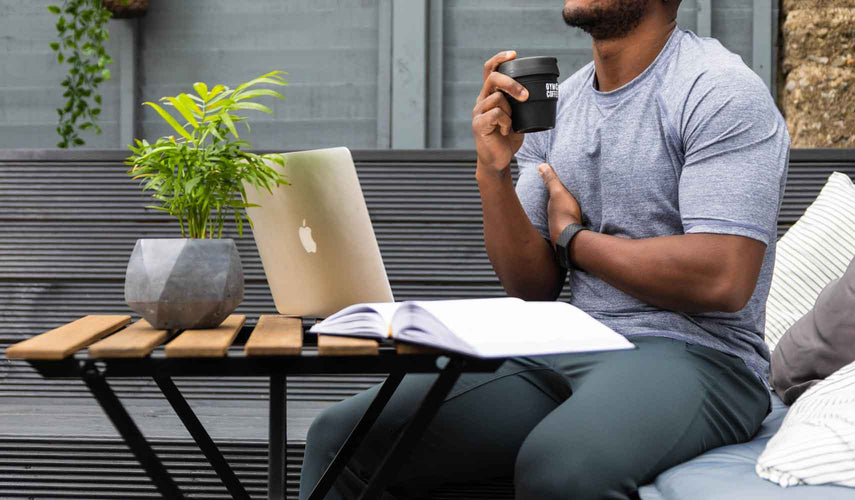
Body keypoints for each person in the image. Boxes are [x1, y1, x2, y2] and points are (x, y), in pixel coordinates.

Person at [298, 0, 789, 498]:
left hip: (702, 355)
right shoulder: (560, 104)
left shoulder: (718, 88)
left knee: (560, 467)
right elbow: (531, 287)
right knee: (344, 437)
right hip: (568, 342)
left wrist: (575, 242)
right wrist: (493, 171)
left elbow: (722, 278)